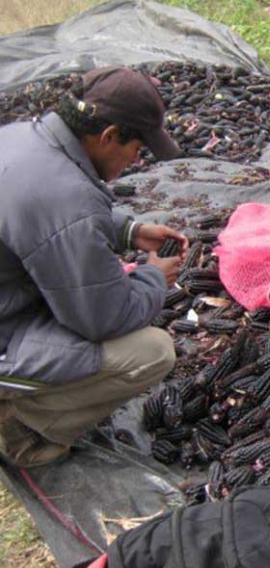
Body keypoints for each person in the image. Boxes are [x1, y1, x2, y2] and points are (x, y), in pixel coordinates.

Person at [0, 67, 187, 468]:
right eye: (137, 149)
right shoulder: (67, 199)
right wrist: (154, 277)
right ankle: (19, 428)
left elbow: (44, 221)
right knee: (152, 351)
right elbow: (104, 319)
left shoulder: (21, 138)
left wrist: (129, 231)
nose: (135, 160)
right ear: (107, 136)